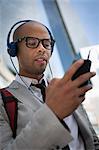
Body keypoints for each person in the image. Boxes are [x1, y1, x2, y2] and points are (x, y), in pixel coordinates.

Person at [0, 20, 99, 150]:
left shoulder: (66, 89)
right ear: (14, 50)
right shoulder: (2, 100)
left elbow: (92, 140)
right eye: (32, 43)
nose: (42, 48)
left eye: (46, 44)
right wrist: (52, 113)